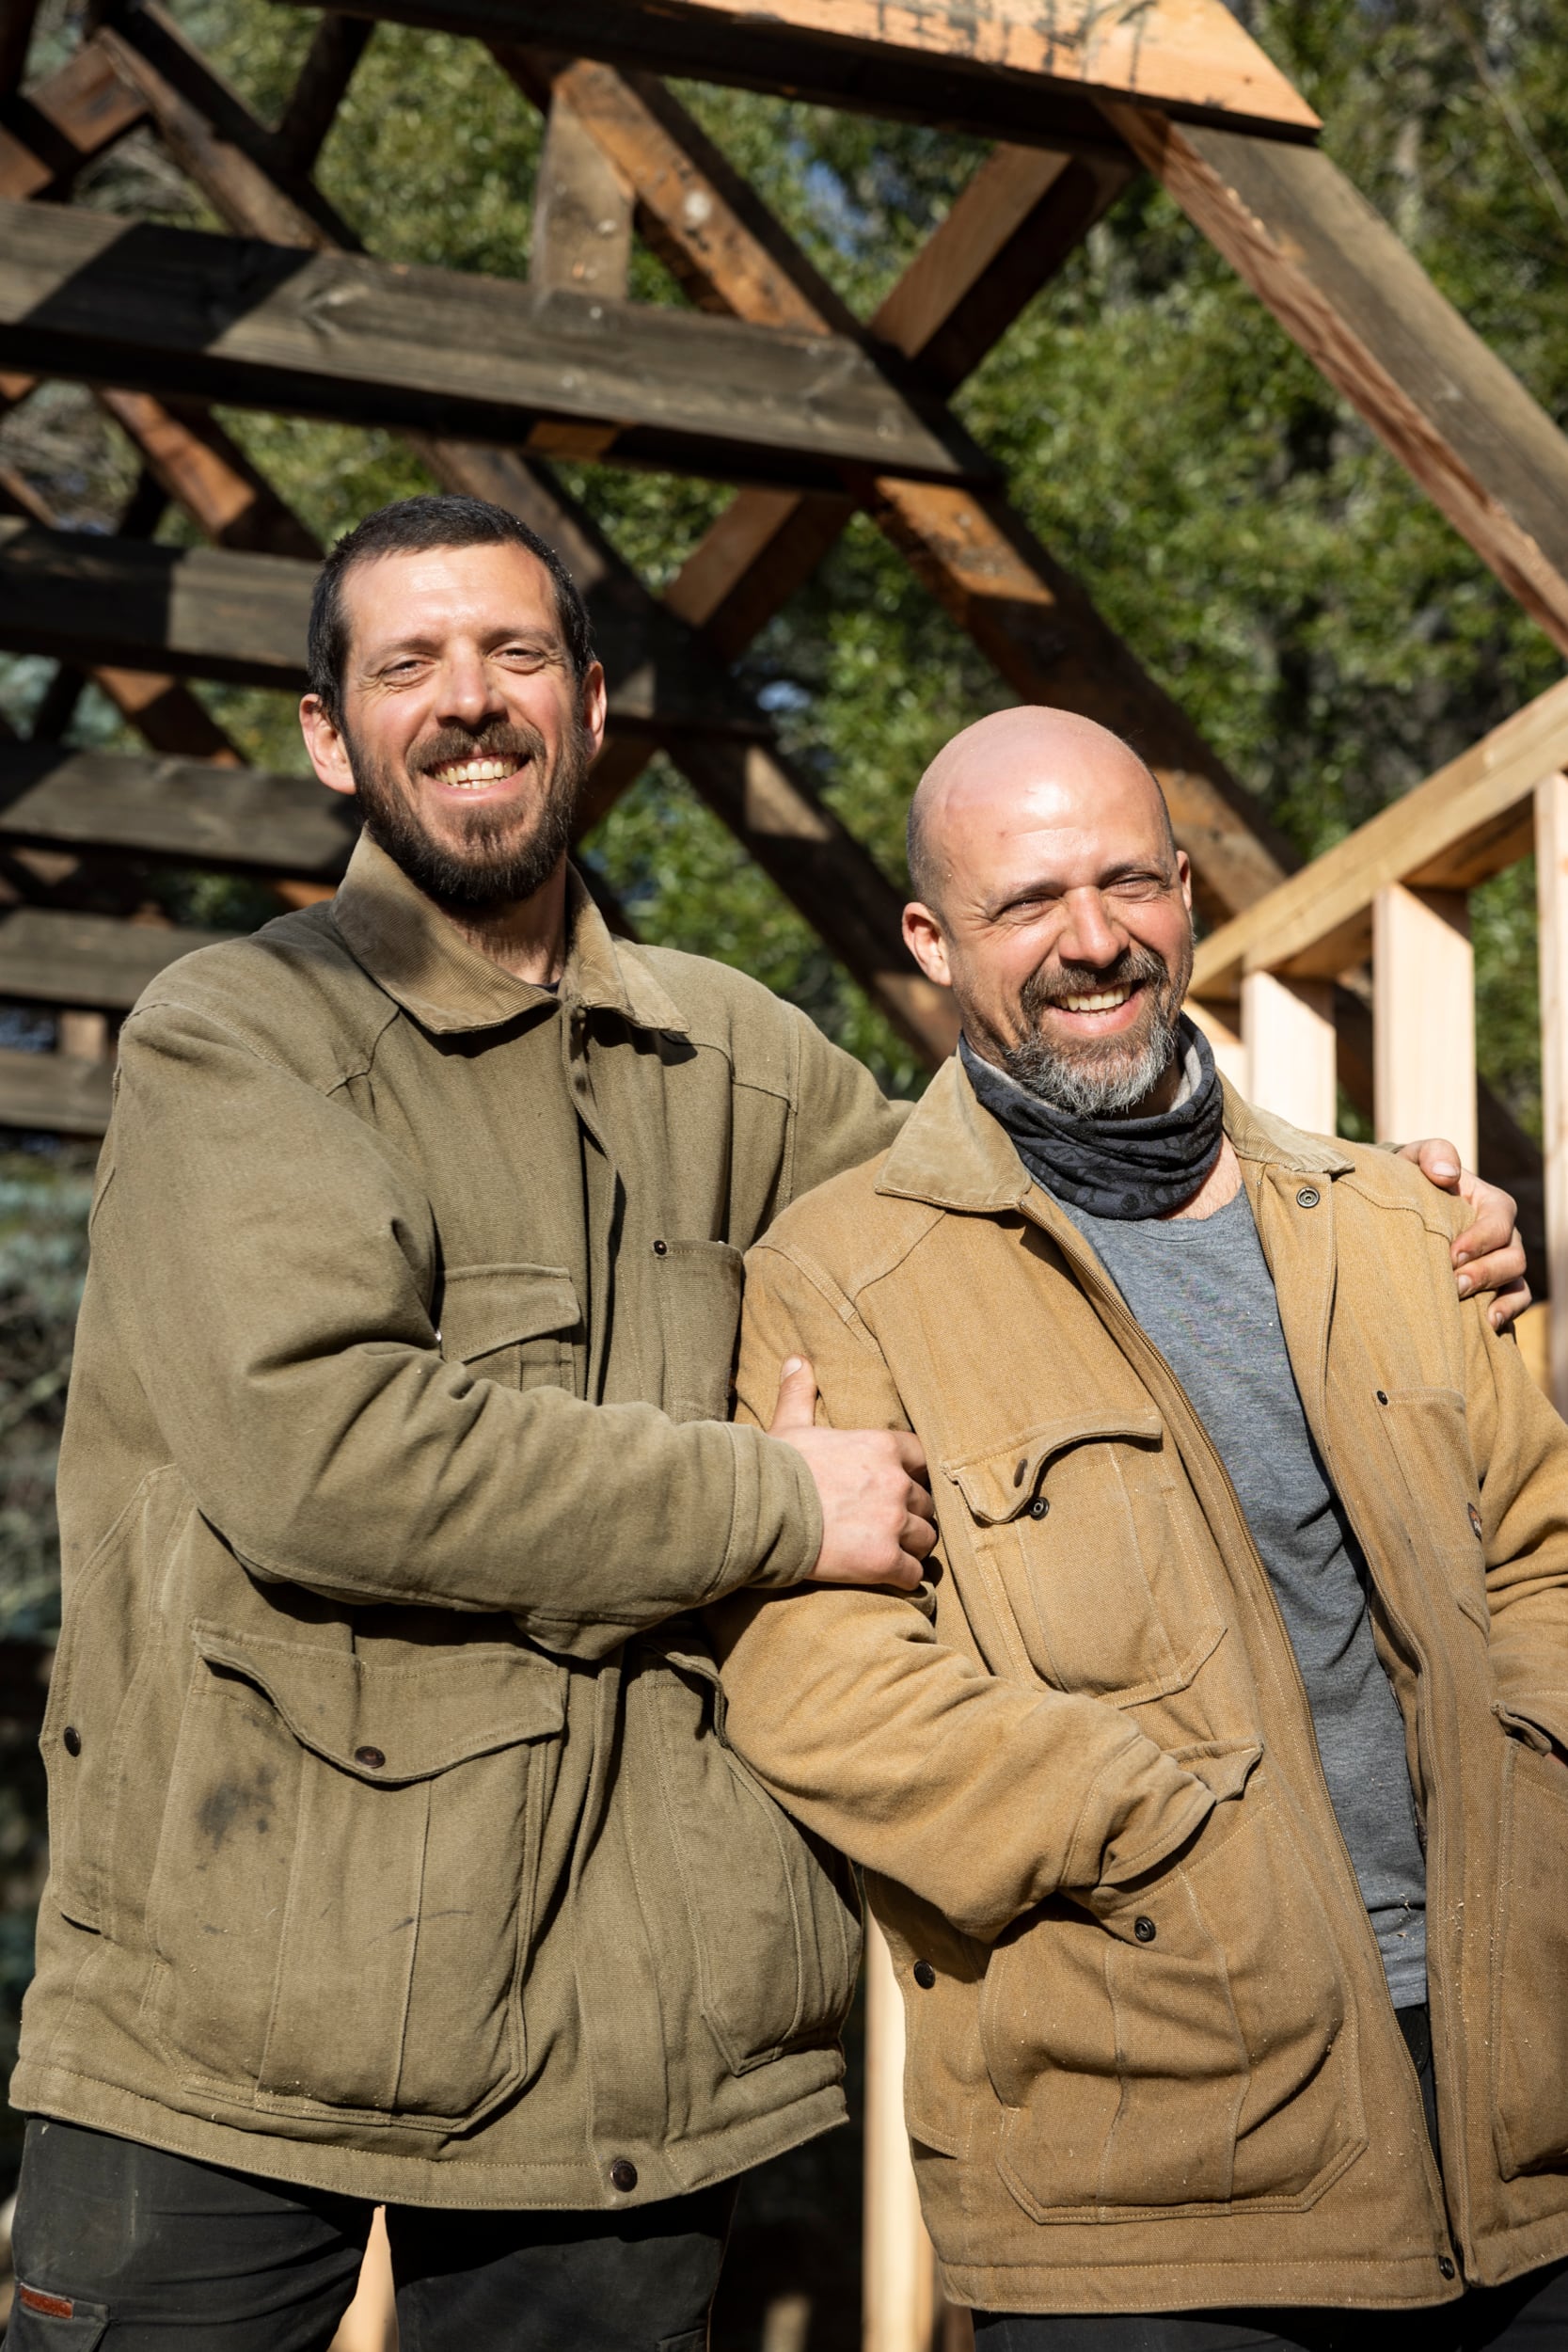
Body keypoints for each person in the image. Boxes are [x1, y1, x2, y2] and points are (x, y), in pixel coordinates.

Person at [3, 510, 1518, 2350]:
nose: (469, 702)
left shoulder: (743, 1055)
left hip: (617, 2045)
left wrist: (1359, 1193)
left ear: (591, 706)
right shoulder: (237, 1033)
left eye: (514, 657)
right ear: (330, 735)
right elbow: (325, 1455)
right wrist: (774, 1499)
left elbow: (1024, 1191)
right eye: (406, 665)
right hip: (235, 2010)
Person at [712, 706, 1568, 2349]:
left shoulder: (1395, 1221)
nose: (1090, 943)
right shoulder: (840, 1275)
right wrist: (1156, 1832)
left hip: (1519, 2109)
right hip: (1152, 2171)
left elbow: (1544, 1546)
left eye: (1127, 885)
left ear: (1184, 891)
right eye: (1027, 903)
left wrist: (1539, 1774)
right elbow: (816, 1681)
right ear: (932, 942)